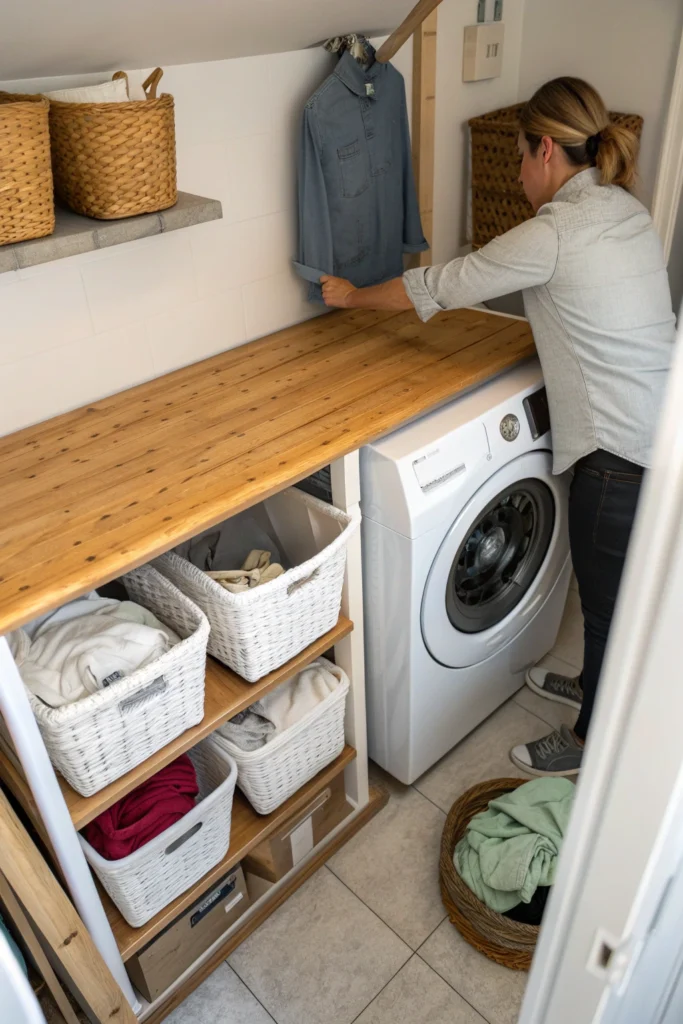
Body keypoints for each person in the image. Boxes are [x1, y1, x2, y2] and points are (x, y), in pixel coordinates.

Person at [320, 77, 676, 777]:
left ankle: (587, 742)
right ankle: (591, 685)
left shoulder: (554, 232)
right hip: (662, 430)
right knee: (616, 597)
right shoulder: (624, 208)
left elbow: (443, 285)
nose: (515, 174)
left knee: (607, 608)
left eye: (518, 157)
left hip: (619, 458)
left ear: (544, 150)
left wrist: (352, 297)